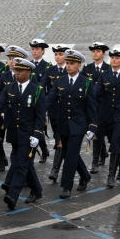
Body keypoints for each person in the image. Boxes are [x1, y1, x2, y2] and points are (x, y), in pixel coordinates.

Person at [0, 58, 46, 210]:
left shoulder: (37, 91)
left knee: (21, 164)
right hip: (14, 133)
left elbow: (40, 115)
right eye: (15, 70)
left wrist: (37, 134)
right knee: (24, 162)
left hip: (29, 135)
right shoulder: (9, 88)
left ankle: (12, 195)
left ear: (28, 73)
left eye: (20, 71)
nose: (16, 73)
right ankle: (37, 190)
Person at [46, 49, 96, 199]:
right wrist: (39, 109)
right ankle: (85, 175)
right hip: (63, 124)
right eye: (67, 63)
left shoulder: (86, 82)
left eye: (72, 63)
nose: (68, 66)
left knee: (71, 154)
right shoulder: (60, 81)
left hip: (79, 125)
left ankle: (66, 186)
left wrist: (93, 125)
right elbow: (50, 98)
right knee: (69, 154)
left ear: (79, 65)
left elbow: (91, 105)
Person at [93, 49, 120, 188]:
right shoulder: (104, 75)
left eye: (117, 58)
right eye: (112, 58)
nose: (114, 60)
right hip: (105, 115)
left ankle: (111, 175)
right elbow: (96, 93)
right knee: (108, 141)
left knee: (116, 143)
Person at [0, 45, 30, 174]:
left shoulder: (29, 77)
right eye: (10, 58)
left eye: (15, 58)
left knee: (22, 151)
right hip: (5, 113)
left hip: (24, 118)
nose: (11, 61)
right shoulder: (5, 75)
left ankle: (19, 174)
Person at [40, 44, 70, 182]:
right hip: (54, 112)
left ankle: (55, 170)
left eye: (61, 54)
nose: (58, 57)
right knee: (63, 142)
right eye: (56, 54)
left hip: (67, 113)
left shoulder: (71, 71)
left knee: (59, 140)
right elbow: (42, 86)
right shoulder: (50, 70)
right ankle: (82, 173)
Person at [82, 42, 110, 174]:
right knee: (95, 133)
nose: (95, 53)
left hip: (104, 106)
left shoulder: (109, 68)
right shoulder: (87, 69)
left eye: (98, 51)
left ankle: (102, 153)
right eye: (93, 51)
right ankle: (95, 162)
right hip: (91, 106)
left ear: (103, 54)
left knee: (100, 133)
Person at [29, 38, 51, 163]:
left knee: (39, 127)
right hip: (28, 101)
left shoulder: (47, 66)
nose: (34, 51)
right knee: (33, 128)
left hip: (40, 101)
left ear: (43, 51)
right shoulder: (28, 66)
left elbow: (43, 85)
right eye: (33, 49)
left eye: (37, 49)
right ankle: (43, 149)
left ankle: (42, 149)